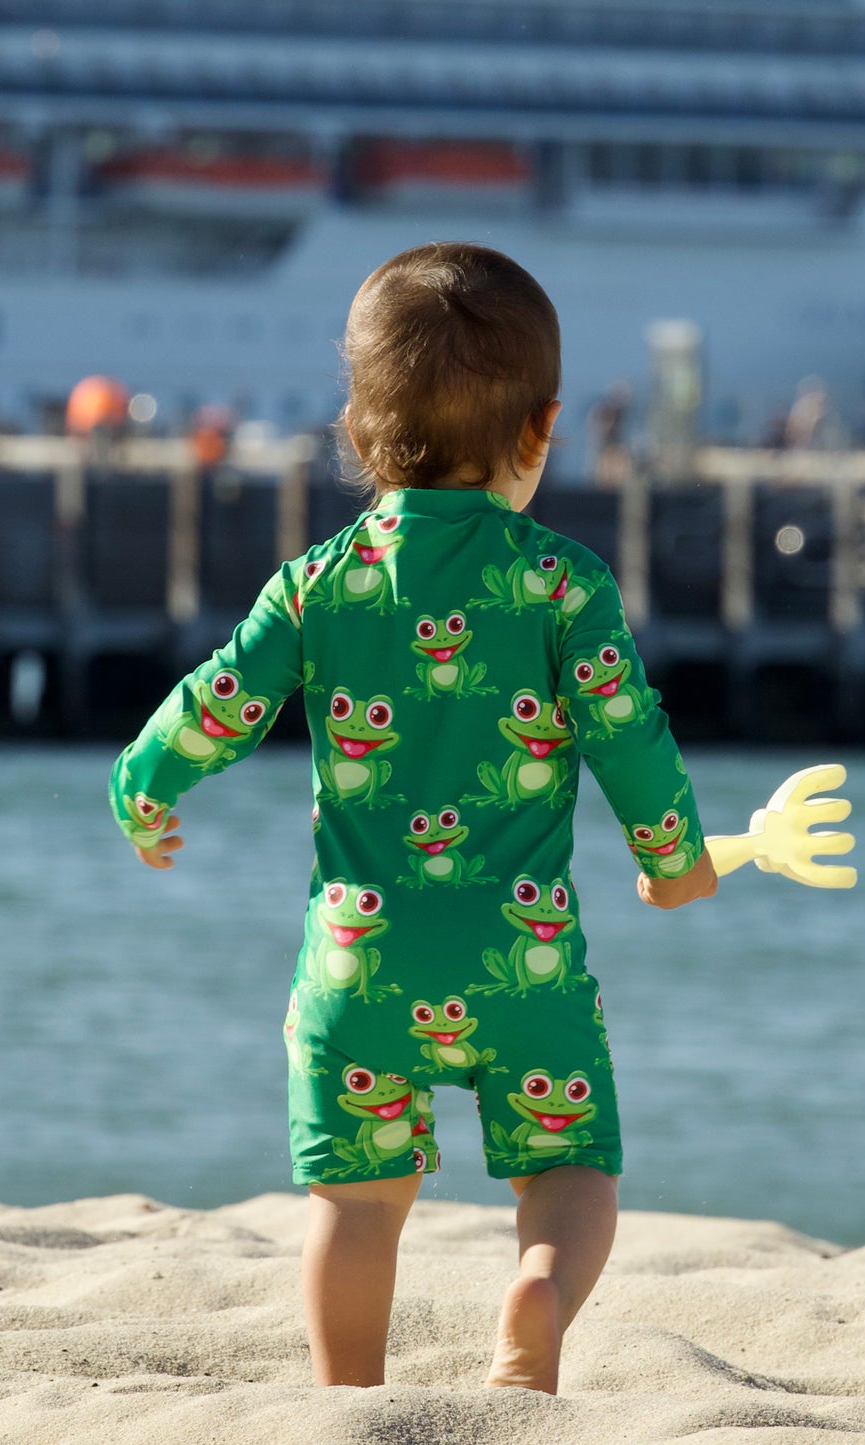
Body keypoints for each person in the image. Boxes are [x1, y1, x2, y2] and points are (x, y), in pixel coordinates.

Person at [107, 242, 718, 1395]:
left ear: (354, 426)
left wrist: (142, 788)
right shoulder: (564, 583)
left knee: (354, 1202)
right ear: (542, 428)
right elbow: (626, 735)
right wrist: (674, 859)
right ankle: (537, 1296)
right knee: (569, 1169)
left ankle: (348, 1399)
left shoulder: (315, 584)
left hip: (360, 957)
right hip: (522, 957)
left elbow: (219, 702)